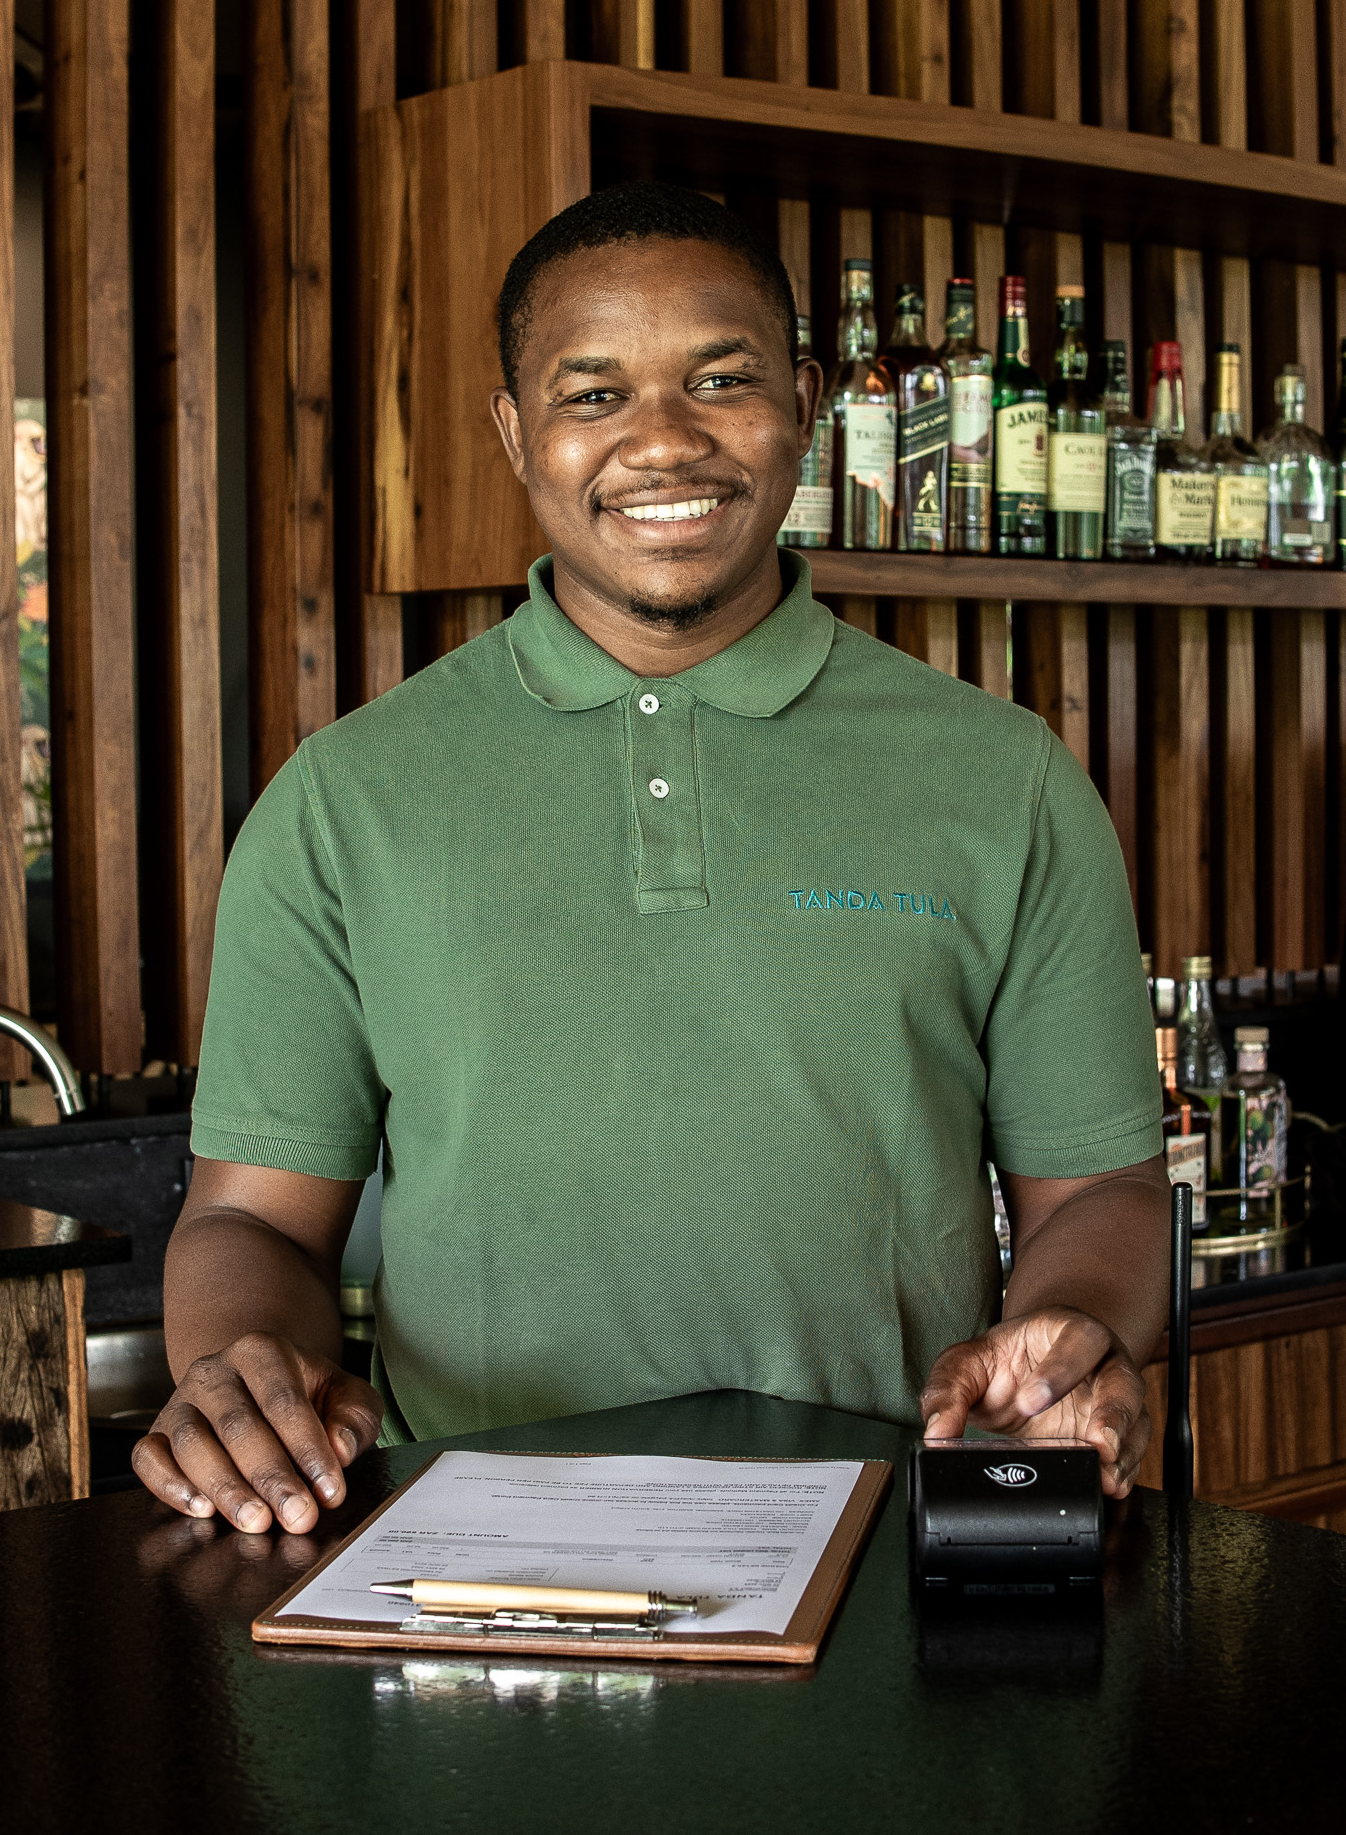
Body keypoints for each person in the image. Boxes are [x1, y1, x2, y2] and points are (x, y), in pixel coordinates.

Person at [134, 182, 1169, 1534]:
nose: (663, 442)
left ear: (804, 402)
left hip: (882, 1539)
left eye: (720, 380)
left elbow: (1096, 1186)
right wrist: (242, 1375)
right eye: (592, 394)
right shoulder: (345, 800)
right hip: (476, 1565)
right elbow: (252, 1225)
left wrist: (1073, 1329)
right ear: (516, 432)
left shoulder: (1005, 779)